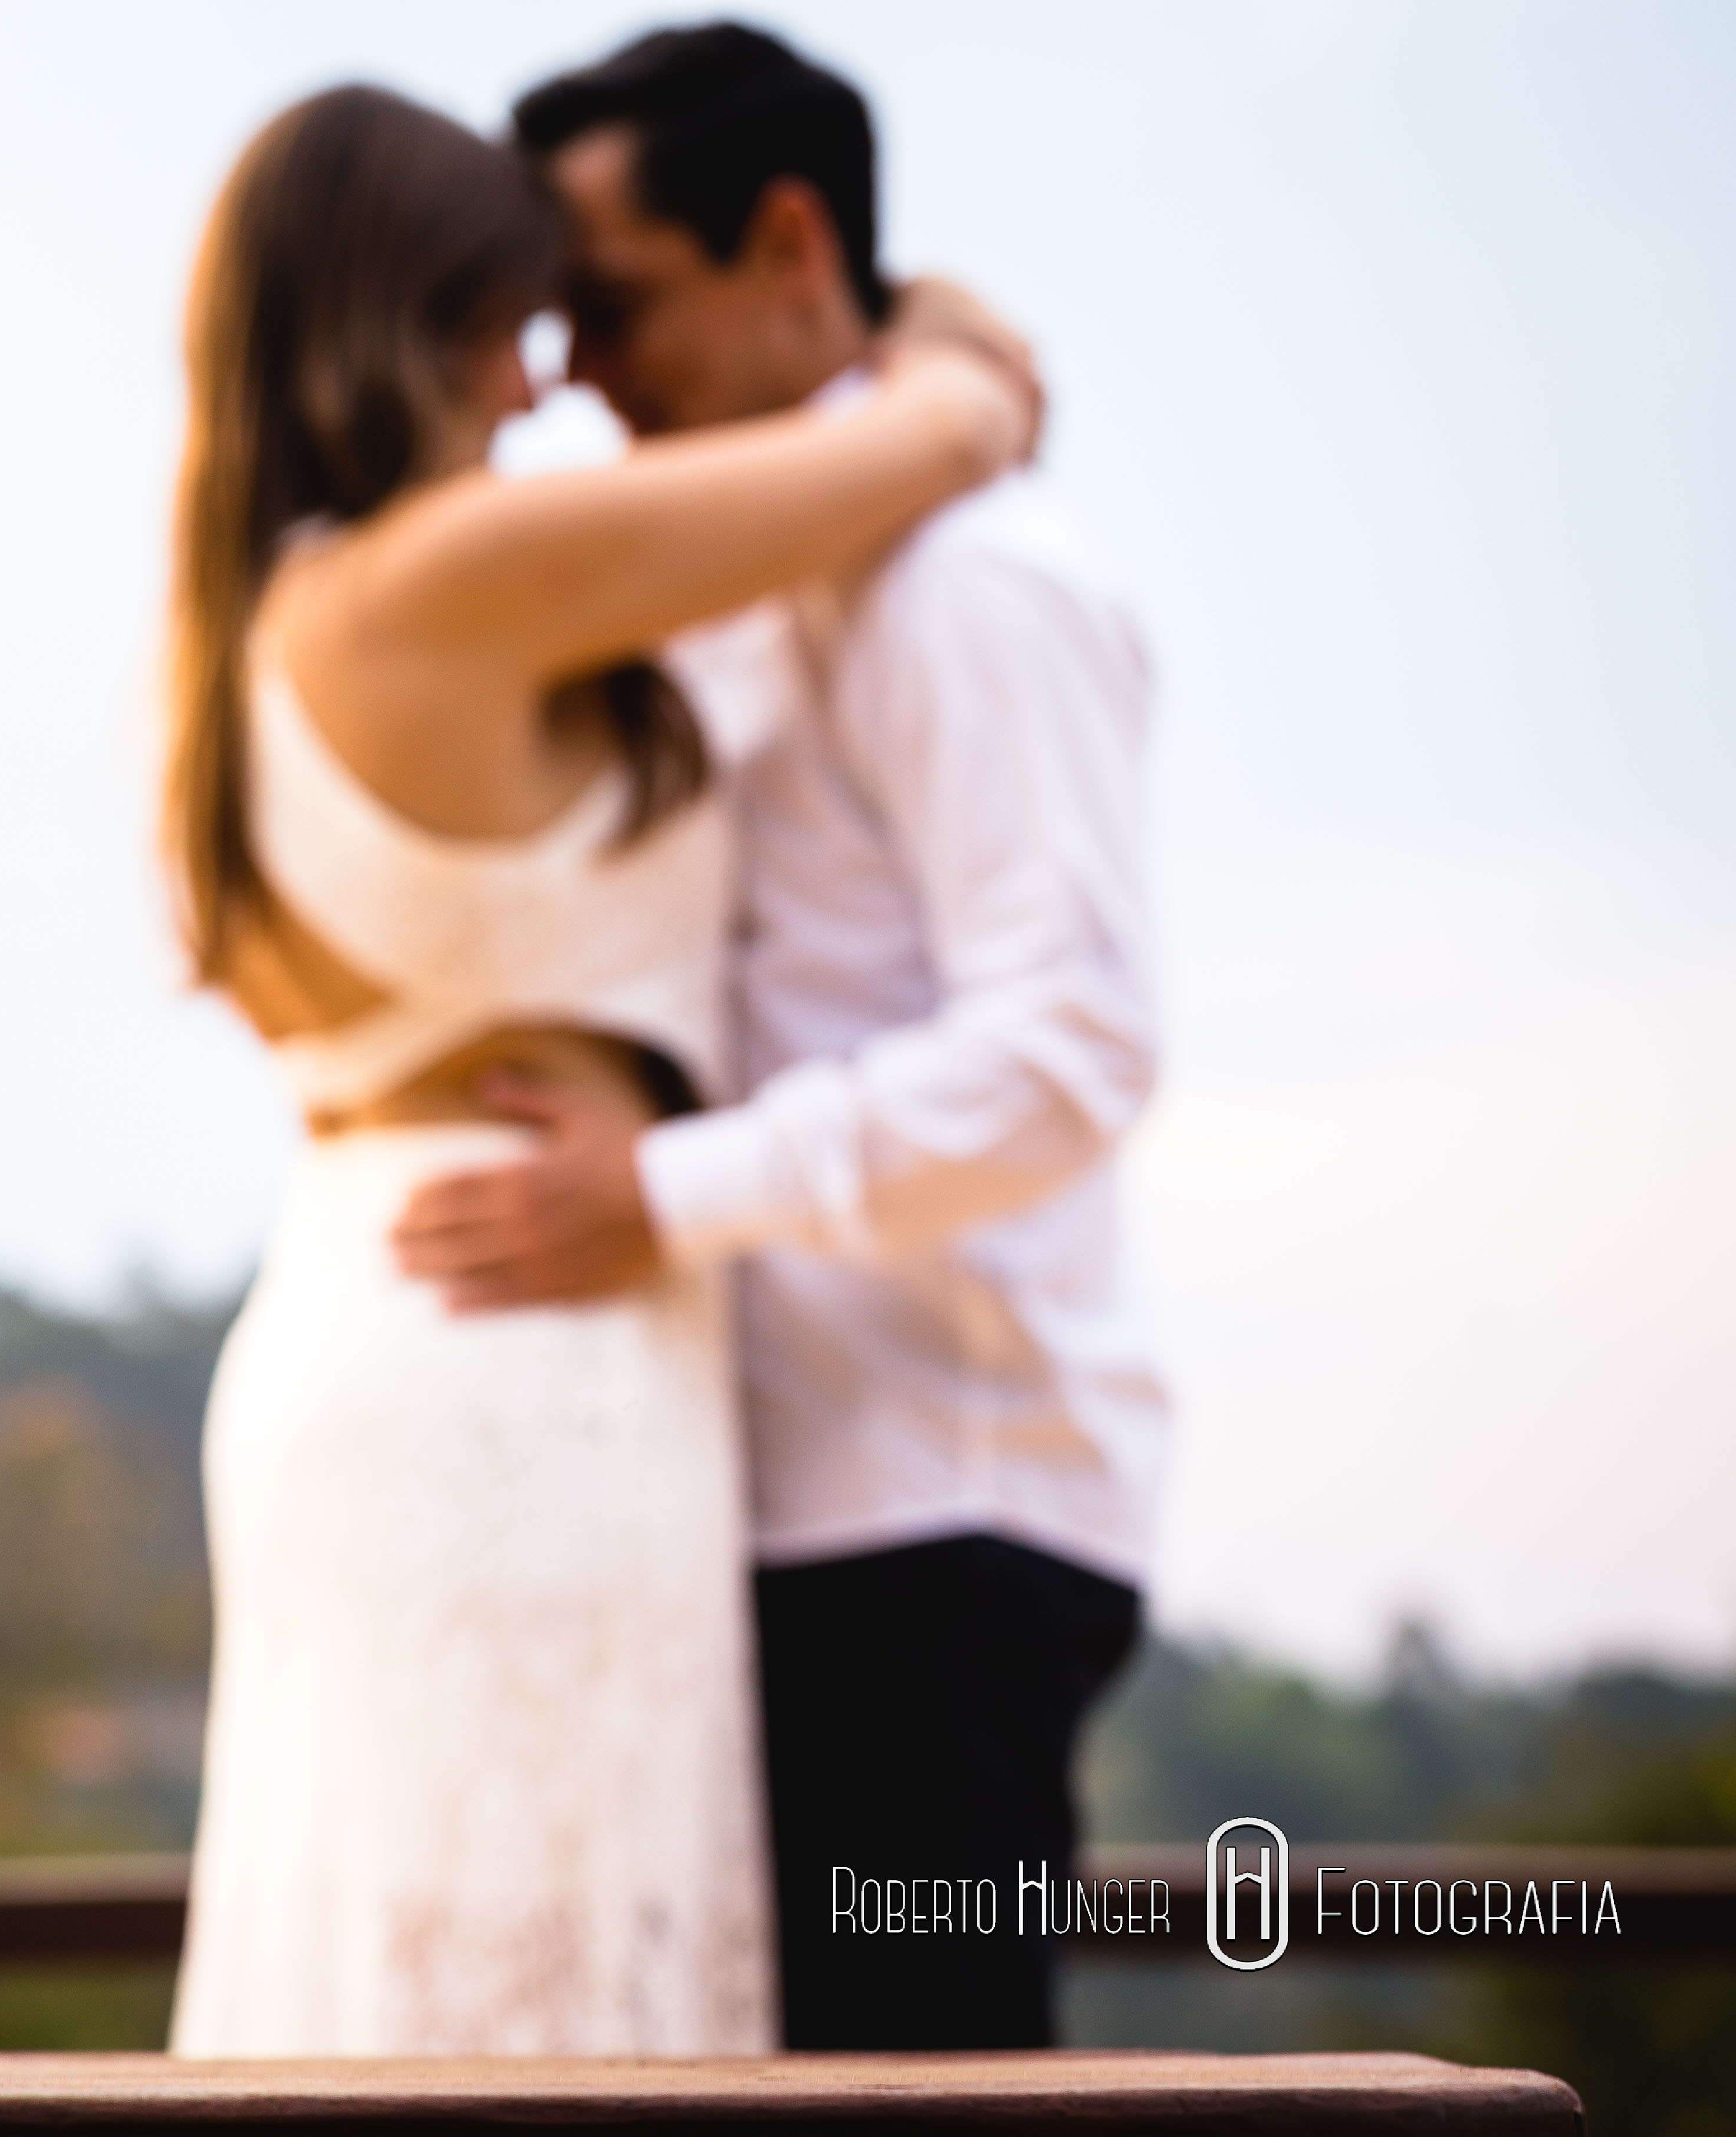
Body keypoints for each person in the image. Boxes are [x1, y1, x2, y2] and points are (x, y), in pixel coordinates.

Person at [158, 80, 1036, 2056]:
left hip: (382, 1304)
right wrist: (951, 335)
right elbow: (938, 444)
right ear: (423, 318)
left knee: (393, 1986)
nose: (549, 381)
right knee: (552, 2027)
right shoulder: (451, 571)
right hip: (523, 1356)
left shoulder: (262, 620)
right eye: (519, 319)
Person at [390, 25, 1168, 2050]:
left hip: (937, 1516)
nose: (574, 376)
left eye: (615, 304)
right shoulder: (725, 564)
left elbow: (1077, 1044)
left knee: (914, 2096)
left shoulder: (980, 581)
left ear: (790, 241)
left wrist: (658, 1195)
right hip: (754, 1504)